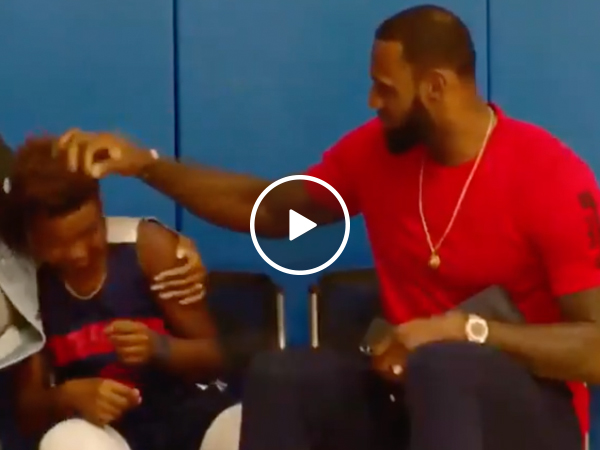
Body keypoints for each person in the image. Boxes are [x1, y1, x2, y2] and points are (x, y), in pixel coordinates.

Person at [54, 4, 599, 450]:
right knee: (283, 377)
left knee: (444, 365)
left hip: (531, 418)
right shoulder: (378, 157)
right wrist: (146, 166)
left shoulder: (550, 178)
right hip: (413, 400)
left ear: (434, 86)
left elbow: (594, 349)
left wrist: (467, 331)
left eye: (385, 88)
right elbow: (273, 213)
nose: (372, 101)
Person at [3, 136, 241, 450]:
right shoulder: (28, 280)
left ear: (101, 207)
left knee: (243, 425)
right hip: (107, 433)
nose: (78, 253)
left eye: (90, 232)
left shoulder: (148, 248)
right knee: (67, 441)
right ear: (31, 236)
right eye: (58, 244)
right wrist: (68, 396)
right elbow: (27, 411)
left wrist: (161, 348)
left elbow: (218, 358)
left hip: (189, 417)